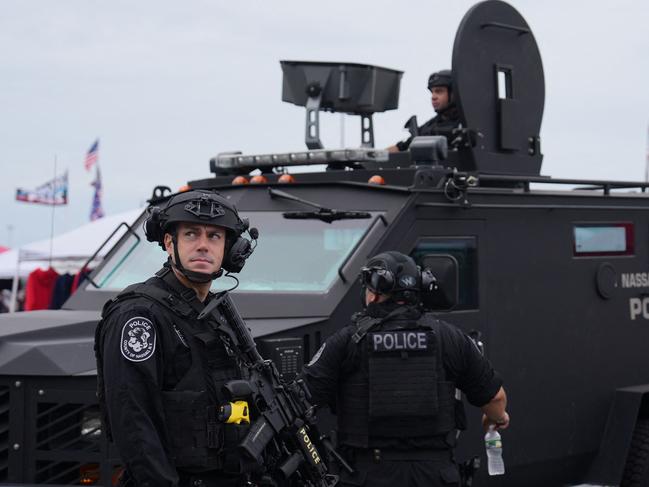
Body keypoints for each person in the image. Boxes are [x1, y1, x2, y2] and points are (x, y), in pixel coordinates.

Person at [301, 251, 509, 487]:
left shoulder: (347, 340)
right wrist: (497, 418)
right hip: (434, 476)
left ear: (375, 291)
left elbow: (303, 402)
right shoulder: (449, 338)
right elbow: (495, 399)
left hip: (365, 475)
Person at [94, 189, 258, 487]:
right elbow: (132, 419)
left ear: (230, 249)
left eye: (214, 237)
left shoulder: (217, 316)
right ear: (170, 243)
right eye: (192, 235)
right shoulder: (139, 314)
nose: (203, 246)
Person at [388, 69, 461, 152]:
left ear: (454, 93)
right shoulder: (430, 126)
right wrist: (376, 155)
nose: (433, 97)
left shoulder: (466, 123)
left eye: (439, 91)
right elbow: (402, 146)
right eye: (432, 92)